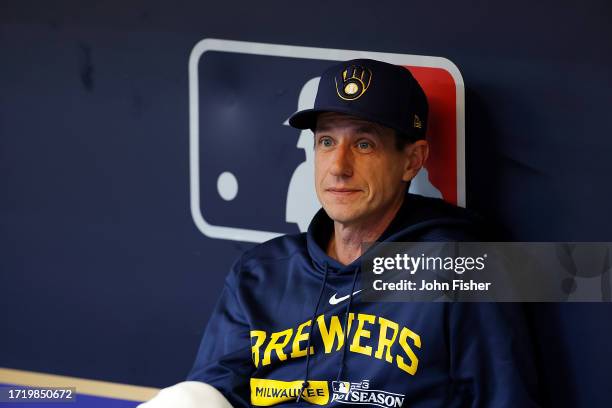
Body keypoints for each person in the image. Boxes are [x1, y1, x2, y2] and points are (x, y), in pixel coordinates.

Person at [142, 59, 539, 407]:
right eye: (326, 141)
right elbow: (211, 394)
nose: (338, 166)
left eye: (364, 144)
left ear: (412, 160)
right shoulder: (262, 274)